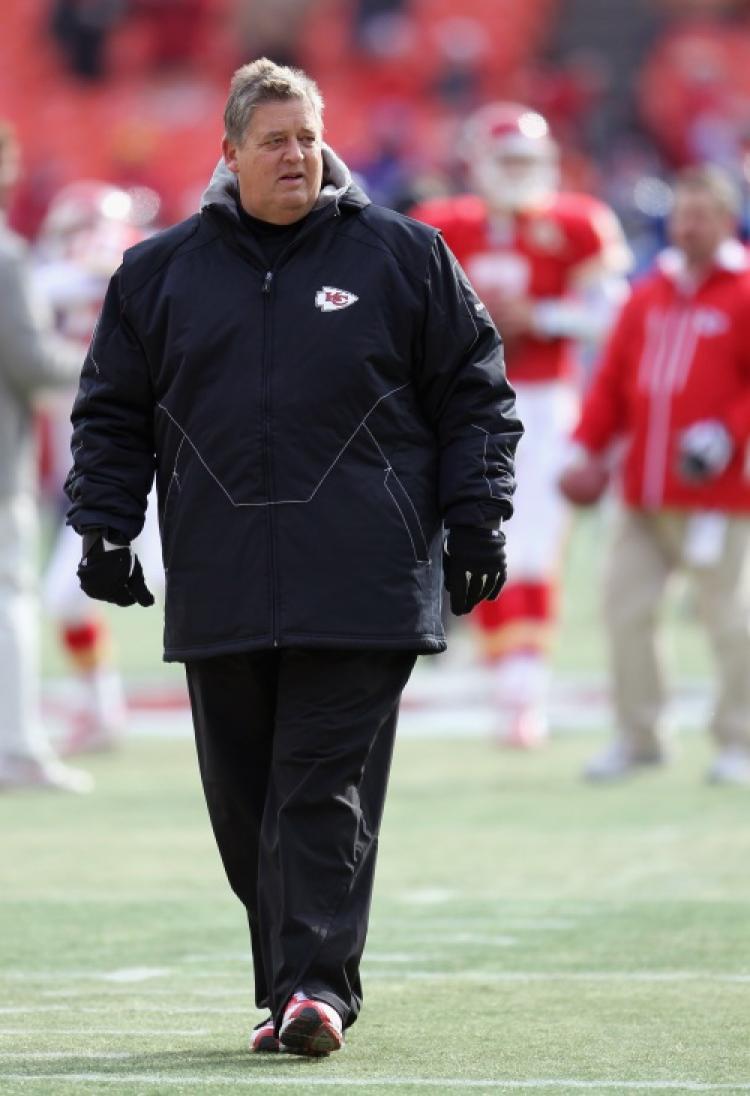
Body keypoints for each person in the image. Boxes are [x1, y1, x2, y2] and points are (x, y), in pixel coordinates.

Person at [65, 59, 522, 1056]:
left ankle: (315, 988)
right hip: (221, 577)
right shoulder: (156, 273)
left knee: (316, 788)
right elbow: (109, 416)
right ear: (227, 153)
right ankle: (291, 991)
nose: (296, 154)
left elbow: (476, 395)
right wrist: (104, 526)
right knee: (247, 812)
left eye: (308, 135)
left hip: (364, 578)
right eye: (273, 138)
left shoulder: (406, 256)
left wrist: (479, 517)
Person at [411, 102, 630, 747]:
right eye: (504, 159)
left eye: (524, 161)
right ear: (478, 162)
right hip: (459, 406)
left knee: (532, 546)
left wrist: (541, 316)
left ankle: (522, 693)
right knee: (474, 539)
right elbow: (406, 322)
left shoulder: (578, 222)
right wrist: (475, 323)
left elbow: (610, 319)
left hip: (542, 399)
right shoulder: (441, 225)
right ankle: (505, 678)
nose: (515, 172)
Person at [560, 164, 750, 786]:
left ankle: (739, 740)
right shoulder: (650, 293)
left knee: (731, 618)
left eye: (700, 216)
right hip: (641, 487)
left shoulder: (744, 288)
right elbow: (613, 381)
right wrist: (586, 447)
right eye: (681, 215)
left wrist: (729, 429)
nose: (687, 227)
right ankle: (639, 734)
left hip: (715, 494)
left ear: (725, 220)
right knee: (625, 610)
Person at [34, 179, 163, 755]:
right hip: (94, 473)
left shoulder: (140, 262)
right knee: (68, 597)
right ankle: (105, 710)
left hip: (149, 468)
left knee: (185, 585)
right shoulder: (51, 280)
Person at [0, 121, 92, 793]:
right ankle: (18, 747)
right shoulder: (5, 257)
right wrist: (103, 362)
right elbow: (32, 364)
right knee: (11, 595)